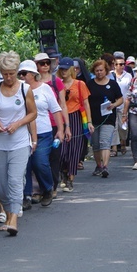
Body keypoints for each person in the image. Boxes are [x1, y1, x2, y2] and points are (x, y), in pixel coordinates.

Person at [0, 51, 37, 236]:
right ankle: (7, 213)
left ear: (17, 71)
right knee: (0, 184)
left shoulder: (25, 89)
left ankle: (13, 219)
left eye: (12, 73)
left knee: (15, 180)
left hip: (19, 142)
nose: (8, 77)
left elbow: (33, 113)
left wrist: (18, 123)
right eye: (5, 73)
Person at [19, 60, 63, 208]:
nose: (22, 76)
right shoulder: (18, 89)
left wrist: (61, 130)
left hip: (44, 132)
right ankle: (26, 195)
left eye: (25, 73)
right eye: (20, 74)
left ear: (33, 74)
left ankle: (47, 188)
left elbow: (56, 109)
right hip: (23, 133)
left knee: (40, 162)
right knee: (25, 165)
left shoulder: (45, 89)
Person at [34, 52, 71, 202]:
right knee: (36, 158)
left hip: (55, 124)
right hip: (37, 125)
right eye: (41, 63)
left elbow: (62, 105)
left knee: (54, 157)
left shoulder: (56, 82)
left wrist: (66, 126)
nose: (45, 66)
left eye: (47, 63)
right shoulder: (29, 83)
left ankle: (53, 186)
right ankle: (38, 189)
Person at [57, 57, 93, 191]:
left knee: (74, 148)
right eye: (61, 69)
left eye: (66, 69)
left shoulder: (79, 84)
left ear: (72, 69)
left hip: (76, 117)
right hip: (60, 117)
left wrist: (89, 122)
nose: (64, 71)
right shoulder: (56, 83)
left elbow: (86, 103)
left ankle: (70, 179)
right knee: (61, 150)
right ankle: (63, 172)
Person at [87, 59, 123, 177]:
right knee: (96, 144)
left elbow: (120, 99)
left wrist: (114, 105)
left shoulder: (112, 84)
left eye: (101, 70)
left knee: (104, 142)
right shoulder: (90, 84)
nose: (99, 73)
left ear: (106, 70)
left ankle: (105, 167)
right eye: (96, 71)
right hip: (94, 118)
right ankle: (99, 165)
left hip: (108, 118)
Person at [110, 53, 132, 156]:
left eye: (122, 64)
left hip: (124, 104)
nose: (120, 66)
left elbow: (130, 91)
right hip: (113, 104)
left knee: (122, 126)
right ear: (114, 65)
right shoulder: (110, 75)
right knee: (113, 126)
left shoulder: (128, 76)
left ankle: (123, 143)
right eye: (118, 64)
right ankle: (114, 148)